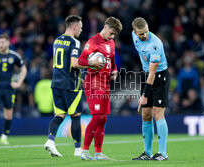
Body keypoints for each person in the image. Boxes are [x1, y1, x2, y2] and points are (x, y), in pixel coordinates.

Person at [78, 16, 122, 160]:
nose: (112, 36)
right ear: (105, 27)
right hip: (93, 83)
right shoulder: (93, 42)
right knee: (96, 117)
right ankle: (84, 151)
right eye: (112, 32)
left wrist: (114, 71)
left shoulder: (111, 42)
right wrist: (91, 63)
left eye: (114, 34)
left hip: (105, 83)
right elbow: (81, 60)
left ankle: (98, 153)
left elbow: (113, 62)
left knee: (103, 119)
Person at [44, 15, 86, 157]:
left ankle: (50, 140)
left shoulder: (57, 40)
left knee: (59, 115)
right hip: (70, 84)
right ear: (74, 27)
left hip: (56, 83)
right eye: (80, 26)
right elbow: (74, 64)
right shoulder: (75, 42)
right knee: (76, 116)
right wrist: (90, 64)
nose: (81, 29)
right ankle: (78, 150)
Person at [131, 17, 170, 161]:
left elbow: (153, 73)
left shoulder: (155, 44)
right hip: (146, 74)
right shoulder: (134, 36)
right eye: (141, 33)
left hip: (159, 77)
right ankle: (147, 153)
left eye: (146, 32)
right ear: (135, 32)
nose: (144, 35)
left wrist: (144, 95)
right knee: (145, 114)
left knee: (158, 112)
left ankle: (162, 153)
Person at [0, 34, 27, 145]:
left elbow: (24, 69)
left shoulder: (14, 56)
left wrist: (18, 83)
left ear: (8, 43)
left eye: (2, 42)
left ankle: (4, 137)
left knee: (8, 114)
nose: (0, 45)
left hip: (9, 88)